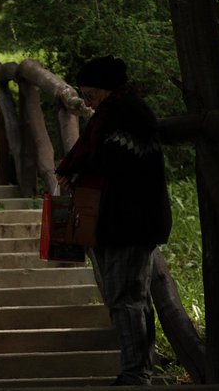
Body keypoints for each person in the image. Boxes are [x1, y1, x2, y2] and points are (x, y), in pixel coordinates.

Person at [55, 55, 172, 386]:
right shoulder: (109, 115)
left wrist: (80, 172)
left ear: (104, 88)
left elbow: (118, 165)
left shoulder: (127, 115)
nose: (87, 101)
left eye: (90, 93)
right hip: (116, 222)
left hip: (129, 223)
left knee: (126, 297)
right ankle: (137, 368)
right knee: (127, 297)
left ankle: (137, 372)